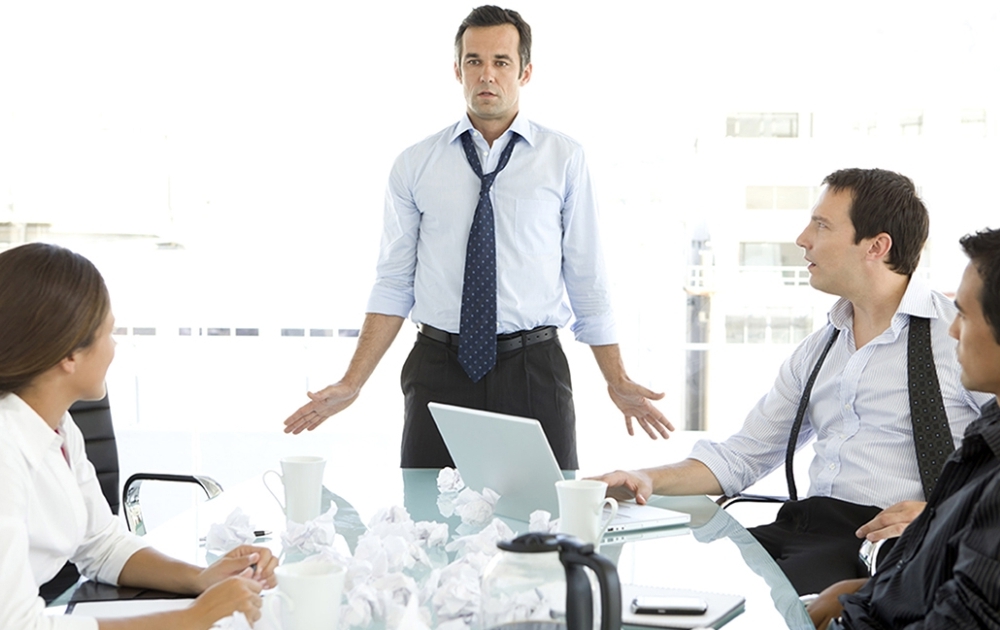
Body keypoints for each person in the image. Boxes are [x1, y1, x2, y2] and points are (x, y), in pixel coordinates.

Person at [282, 5, 671, 470]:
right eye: (474, 61)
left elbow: (587, 277)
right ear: (457, 70)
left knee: (546, 510)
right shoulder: (415, 164)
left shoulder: (564, 158)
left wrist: (617, 378)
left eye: (501, 62)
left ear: (525, 72)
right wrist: (352, 382)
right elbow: (393, 283)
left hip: (533, 370)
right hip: (438, 369)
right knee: (427, 510)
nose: (487, 74)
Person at [596, 168, 992, 595]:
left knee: (758, 606)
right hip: (800, 526)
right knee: (672, 583)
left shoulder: (963, 338)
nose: (803, 239)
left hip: (886, 543)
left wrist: (947, 515)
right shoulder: (819, 349)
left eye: (821, 225)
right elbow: (742, 457)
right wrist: (644, 477)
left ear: (876, 246)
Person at [0, 243, 277, 630]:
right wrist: (191, 618)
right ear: (69, 354)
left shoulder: (58, 425)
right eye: (109, 332)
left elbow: (102, 545)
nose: (114, 347)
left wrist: (202, 578)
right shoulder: (6, 450)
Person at [806, 227, 1000, 629]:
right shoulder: (986, 434)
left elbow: (959, 619)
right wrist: (855, 596)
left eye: (965, 315)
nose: (952, 330)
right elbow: (924, 582)